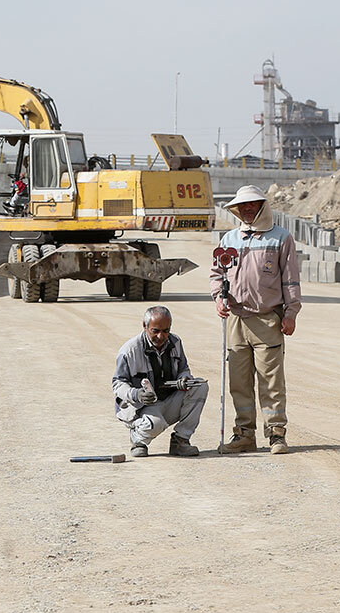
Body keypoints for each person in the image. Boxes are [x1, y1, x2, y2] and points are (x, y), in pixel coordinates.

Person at [211, 184, 301, 455]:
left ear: (262, 206)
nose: (247, 209)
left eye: (252, 205)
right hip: (237, 320)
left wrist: (291, 313)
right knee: (238, 381)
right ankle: (244, 435)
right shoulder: (229, 240)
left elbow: (291, 279)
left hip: (267, 320)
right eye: (242, 206)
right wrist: (219, 298)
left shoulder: (280, 238)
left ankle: (276, 434)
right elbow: (217, 274)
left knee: (271, 381)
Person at [112, 306, 208, 457]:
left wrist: (184, 379)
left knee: (200, 386)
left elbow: (184, 368)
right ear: (145, 326)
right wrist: (137, 394)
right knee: (155, 425)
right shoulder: (129, 350)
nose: (160, 336)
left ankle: (180, 440)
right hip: (143, 407)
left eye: (165, 331)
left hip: (168, 400)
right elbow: (118, 384)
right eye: (155, 331)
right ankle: (138, 440)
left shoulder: (175, 342)